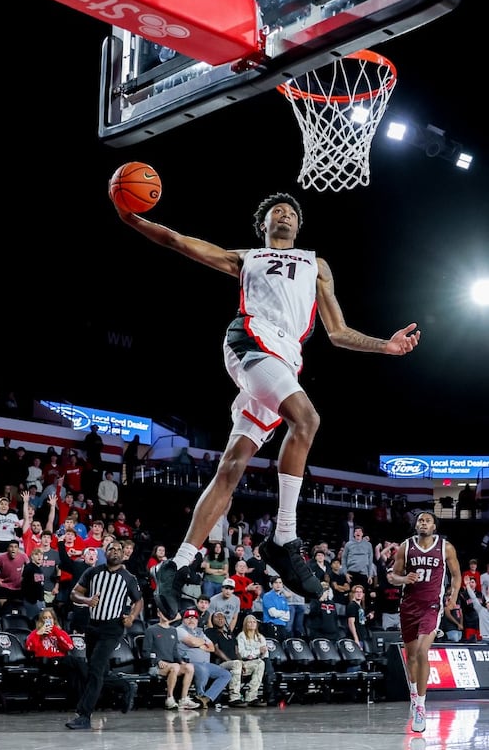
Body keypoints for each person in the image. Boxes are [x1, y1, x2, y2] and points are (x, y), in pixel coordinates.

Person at [121, 193, 420, 618]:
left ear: (299, 227)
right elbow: (177, 241)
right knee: (307, 419)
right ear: (264, 224)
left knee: (232, 466)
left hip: (285, 360)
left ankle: (176, 564)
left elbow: (337, 332)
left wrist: (386, 347)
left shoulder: (317, 264)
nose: (286, 215)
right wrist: (129, 217)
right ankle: (284, 536)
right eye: (278, 212)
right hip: (251, 339)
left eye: (293, 213)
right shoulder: (246, 257)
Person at [388, 510, 461, 733]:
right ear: (416, 525)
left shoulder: (445, 547)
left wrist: (453, 596)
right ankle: (413, 694)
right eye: (420, 520)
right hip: (409, 605)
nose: (423, 523)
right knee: (411, 656)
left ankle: (421, 705)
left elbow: (456, 575)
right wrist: (404, 579)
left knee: (421, 652)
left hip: (432, 605)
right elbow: (392, 575)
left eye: (428, 521)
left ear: (434, 527)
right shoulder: (406, 546)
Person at [64, 540, 143, 730]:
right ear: (105, 553)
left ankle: (83, 715)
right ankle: (125, 686)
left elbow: (139, 601)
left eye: (118, 549)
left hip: (113, 628)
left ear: (124, 555)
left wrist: (131, 617)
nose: (115, 552)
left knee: (95, 670)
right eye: (111, 549)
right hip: (92, 626)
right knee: (97, 670)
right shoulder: (93, 572)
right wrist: (87, 600)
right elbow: (74, 593)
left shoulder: (128, 577)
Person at [142, 607, 199, 710]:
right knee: (175, 667)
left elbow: (174, 651)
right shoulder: (151, 630)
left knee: (189, 667)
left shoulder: (173, 630)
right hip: (156, 666)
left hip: (172, 665)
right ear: (158, 614)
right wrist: (158, 660)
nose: (165, 615)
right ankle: (169, 698)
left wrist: (181, 661)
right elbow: (146, 652)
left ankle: (184, 699)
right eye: (163, 612)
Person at [175, 607, 232, 709]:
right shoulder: (179, 630)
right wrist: (202, 642)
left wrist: (198, 642)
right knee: (202, 670)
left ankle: (206, 698)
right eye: (188, 618)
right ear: (183, 620)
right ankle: (200, 694)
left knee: (226, 674)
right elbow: (191, 642)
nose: (191, 620)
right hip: (189, 663)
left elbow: (211, 647)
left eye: (194, 618)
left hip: (206, 663)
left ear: (197, 620)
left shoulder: (200, 631)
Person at [204, 610, 248, 707]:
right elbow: (216, 650)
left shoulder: (230, 634)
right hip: (220, 664)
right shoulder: (210, 632)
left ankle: (252, 697)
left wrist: (242, 663)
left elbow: (237, 652)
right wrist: (231, 661)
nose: (220, 618)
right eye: (217, 617)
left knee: (259, 664)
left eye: (222, 617)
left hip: (235, 663)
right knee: (236, 664)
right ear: (212, 620)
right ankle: (234, 698)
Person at [235, 614, 270, 706]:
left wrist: (256, 653)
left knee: (262, 663)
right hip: (244, 663)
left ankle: (252, 696)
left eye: (254, 622)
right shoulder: (241, 636)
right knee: (260, 663)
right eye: (249, 622)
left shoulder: (260, 637)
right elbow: (242, 653)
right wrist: (257, 651)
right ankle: (250, 696)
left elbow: (265, 653)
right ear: (245, 624)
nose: (252, 624)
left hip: (257, 661)